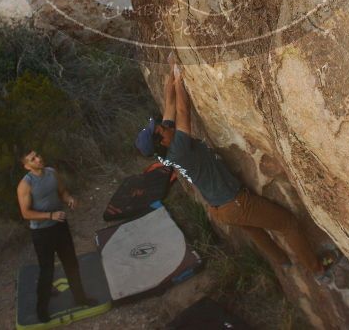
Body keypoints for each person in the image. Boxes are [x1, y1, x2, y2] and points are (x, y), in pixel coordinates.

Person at [135, 60, 337, 286]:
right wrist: (181, 80)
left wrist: (170, 77)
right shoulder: (178, 148)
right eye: (162, 129)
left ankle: (283, 262)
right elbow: (182, 109)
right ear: (161, 139)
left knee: (256, 230)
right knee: (287, 224)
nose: (165, 125)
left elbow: (169, 105)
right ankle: (318, 270)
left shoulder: (164, 150)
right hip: (235, 202)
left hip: (220, 209)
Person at [17, 149, 97, 323]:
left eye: (38, 155)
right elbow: (26, 213)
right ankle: (42, 310)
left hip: (60, 226)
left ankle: (80, 298)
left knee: (71, 263)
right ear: (26, 166)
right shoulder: (26, 184)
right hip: (41, 232)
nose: (38, 159)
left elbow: (62, 192)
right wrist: (49, 215)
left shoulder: (52, 173)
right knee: (47, 271)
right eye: (33, 159)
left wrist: (69, 199)